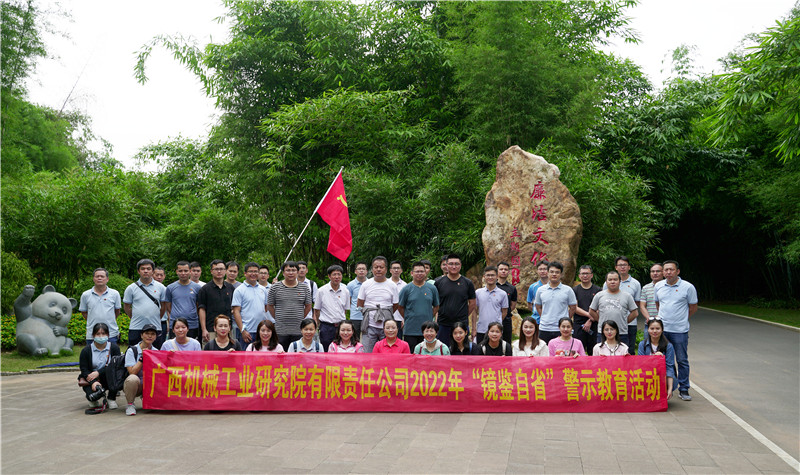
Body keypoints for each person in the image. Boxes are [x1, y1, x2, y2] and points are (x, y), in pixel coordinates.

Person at [654, 260, 698, 401]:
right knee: (663, 359)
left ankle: (684, 389)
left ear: (677, 271)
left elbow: (693, 307)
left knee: (682, 360)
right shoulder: (658, 286)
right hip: (662, 331)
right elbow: (658, 304)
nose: (668, 272)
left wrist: (682, 318)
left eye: (671, 269)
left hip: (680, 331)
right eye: (666, 270)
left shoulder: (688, 287)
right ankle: (666, 387)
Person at [357, 256, 399, 352]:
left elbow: (395, 305)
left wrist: (385, 313)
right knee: (367, 353)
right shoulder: (366, 284)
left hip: (387, 327)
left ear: (386, 269)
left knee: (387, 353)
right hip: (369, 325)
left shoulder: (392, 285)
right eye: (376, 267)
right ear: (372, 269)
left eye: (381, 267)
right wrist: (368, 314)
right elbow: (360, 304)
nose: (378, 269)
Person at [268, 261, 313, 351]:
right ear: (283, 272)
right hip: (280, 330)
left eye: (293, 270)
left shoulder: (304, 288)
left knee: (298, 355)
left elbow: (308, 306)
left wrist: (300, 317)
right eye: (288, 270)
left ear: (297, 272)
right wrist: (277, 317)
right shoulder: (275, 287)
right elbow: (270, 306)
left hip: (298, 329)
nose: (291, 273)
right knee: (281, 354)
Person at [589, 271, 639, 352]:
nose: (612, 282)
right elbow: (591, 311)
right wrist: (601, 320)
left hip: (621, 333)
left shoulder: (627, 296)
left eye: (615, 279)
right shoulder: (599, 295)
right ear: (606, 282)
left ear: (620, 281)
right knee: (602, 356)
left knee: (622, 356)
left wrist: (624, 321)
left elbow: (635, 312)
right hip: (603, 333)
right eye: (610, 279)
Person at [434, 254, 476, 347]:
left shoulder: (467, 283)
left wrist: (463, 315)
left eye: (456, 264)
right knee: (442, 349)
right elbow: (435, 303)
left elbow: (472, 303)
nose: (454, 266)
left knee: (461, 350)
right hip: (443, 323)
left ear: (460, 265)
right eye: (451, 264)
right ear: (446, 265)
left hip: (461, 324)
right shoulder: (438, 282)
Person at [123, 259, 166, 347]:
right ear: (138, 271)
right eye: (143, 269)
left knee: (155, 353)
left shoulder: (161, 287)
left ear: (153, 271)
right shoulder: (131, 288)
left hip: (155, 327)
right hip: (136, 327)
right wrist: (135, 317)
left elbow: (163, 307)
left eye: (148, 269)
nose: (145, 271)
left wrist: (157, 317)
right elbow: (127, 307)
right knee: (134, 352)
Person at [398, 261, 440, 351]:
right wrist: (408, 317)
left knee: (427, 353)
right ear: (412, 273)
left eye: (422, 271)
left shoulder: (432, 288)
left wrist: (429, 315)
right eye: (417, 271)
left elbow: (436, 306)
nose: (419, 273)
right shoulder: (406, 289)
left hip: (428, 330)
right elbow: (400, 307)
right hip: (410, 330)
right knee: (411, 354)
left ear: (425, 273)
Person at [78, 323, 121, 411]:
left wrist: (98, 372)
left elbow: (116, 365)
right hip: (91, 377)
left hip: (109, 376)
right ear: (93, 335)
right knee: (92, 398)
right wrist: (93, 382)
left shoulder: (114, 348)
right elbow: (84, 369)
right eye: (98, 334)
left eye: (103, 333)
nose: (101, 336)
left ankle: (111, 398)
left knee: (115, 375)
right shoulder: (86, 350)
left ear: (108, 335)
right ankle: (93, 399)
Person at [604, 256, 642, 354]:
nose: (622, 267)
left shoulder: (636, 283)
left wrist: (625, 321)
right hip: (611, 324)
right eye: (620, 265)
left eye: (625, 265)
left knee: (629, 350)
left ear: (629, 267)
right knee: (609, 350)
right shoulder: (608, 283)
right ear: (616, 267)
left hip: (630, 323)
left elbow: (637, 303)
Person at [534, 261, 577, 344]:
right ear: (547, 273)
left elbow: (573, 308)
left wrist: (565, 319)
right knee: (543, 350)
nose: (554, 274)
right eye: (552, 272)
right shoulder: (540, 290)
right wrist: (544, 317)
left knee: (562, 351)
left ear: (561, 274)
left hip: (561, 329)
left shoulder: (568, 290)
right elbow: (538, 306)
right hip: (544, 328)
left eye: (557, 272)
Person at [232, 262, 270, 349]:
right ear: (245, 273)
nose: (253, 274)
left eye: (256, 271)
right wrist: (242, 330)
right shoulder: (239, 290)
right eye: (250, 271)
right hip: (247, 332)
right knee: (246, 356)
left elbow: (265, 308)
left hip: (262, 331)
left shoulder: (263, 289)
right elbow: (236, 311)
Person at [79, 268, 122, 344]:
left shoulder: (115, 294)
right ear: (93, 279)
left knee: (112, 352)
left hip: (111, 333)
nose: (99, 278)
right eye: (97, 276)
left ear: (107, 279)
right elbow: (84, 312)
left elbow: (117, 311)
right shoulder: (86, 295)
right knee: (91, 352)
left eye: (102, 276)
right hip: (92, 334)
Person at [123, 323, 158, 416]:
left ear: (155, 337)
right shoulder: (132, 350)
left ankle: (149, 399)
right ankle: (130, 404)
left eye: (153, 334)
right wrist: (143, 357)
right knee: (132, 379)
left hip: (150, 384)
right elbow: (132, 372)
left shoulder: (157, 352)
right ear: (141, 335)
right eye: (147, 333)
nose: (150, 336)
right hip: (136, 385)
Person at [163, 261, 203, 341]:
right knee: (174, 347)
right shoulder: (170, 288)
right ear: (176, 272)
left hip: (192, 324)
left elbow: (198, 306)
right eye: (180, 271)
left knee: (192, 346)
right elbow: (168, 306)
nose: (183, 273)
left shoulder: (197, 287)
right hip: (175, 325)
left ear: (190, 271)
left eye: (185, 271)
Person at [314, 264, 350, 351]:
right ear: (329, 276)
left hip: (341, 327)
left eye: (339, 274)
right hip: (326, 326)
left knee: (341, 349)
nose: (337, 277)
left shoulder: (346, 291)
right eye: (334, 274)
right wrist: (319, 324)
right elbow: (317, 309)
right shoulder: (321, 291)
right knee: (326, 350)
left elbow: (345, 310)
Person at [638, 317, 676, 399]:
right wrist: (654, 358)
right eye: (652, 328)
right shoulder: (642, 344)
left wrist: (670, 389)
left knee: (673, 380)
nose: (654, 331)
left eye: (657, 328)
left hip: (662, 375)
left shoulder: (668, 346)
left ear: (662, 330)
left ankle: (665, 392)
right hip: (647, 375)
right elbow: (640, 364)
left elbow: (670, 367)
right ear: (648, 330)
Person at [197, 259, 235, 343]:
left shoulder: (230, 288)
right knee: (210, 350)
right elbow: (201, 310)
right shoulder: (205, 289)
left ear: (225, 271)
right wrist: (204, 329)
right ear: (211, 271)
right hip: (210, 329)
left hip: (227, 329)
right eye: (216, 269)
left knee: (228, 350)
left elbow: (234, 308)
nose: (219, 271)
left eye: (221, 269)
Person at [473, 266, 509, 344]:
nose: (490, 277)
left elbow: (504, 312)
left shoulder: (503, 294)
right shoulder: (478, 292)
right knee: (480, 350)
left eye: (492, 275)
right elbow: (475, 311)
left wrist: (497, 322)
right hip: (481, 329)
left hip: (496, 331)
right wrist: (474, 329)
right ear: (484, 277)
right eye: (488, 275)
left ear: (497, 276)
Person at [572, 265, 601, 355]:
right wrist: (589, 315)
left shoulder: (598, 290)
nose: (585, 276)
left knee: (594, 351)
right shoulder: (575, 290)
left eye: (587, 273)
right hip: (578, 324)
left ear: (591, 275)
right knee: (578, 352)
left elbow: (600, 308)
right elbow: (574, 307)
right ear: (579, 276)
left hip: (594, 324)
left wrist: (590, 320)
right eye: (583, 274)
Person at [495, 261, 518, 344]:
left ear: (508, 272)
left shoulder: (512, 288)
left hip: (506, 320)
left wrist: (505, 312)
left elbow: (513, 305)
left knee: (506, 343)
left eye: (505, 269)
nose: (503, 271)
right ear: (497, 271)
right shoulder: (492, 286)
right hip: (492, 318)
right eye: (501, 269)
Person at [346, 261, 369, 336]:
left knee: (368, 338)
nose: (361, 271)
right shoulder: (350, 285)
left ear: (366, 271)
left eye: (363, 269)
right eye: (359, 269)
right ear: (355, 271)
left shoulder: (371, 283)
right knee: (355, 338)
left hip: (368, 316)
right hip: (355, 316)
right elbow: (348, 301)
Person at [389, 261, 407, 337]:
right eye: (394, 268)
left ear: (401, 270)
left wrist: (404, 318)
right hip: (387, 318)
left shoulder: (405, 285)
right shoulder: (386, 283)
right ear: (390, 270)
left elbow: (406, 303)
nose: (396, 270)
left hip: (400, 318)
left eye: (398, 268)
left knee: (398, 340)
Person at [153, 266, 169, 338]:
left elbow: (168, 308)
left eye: (161, 275)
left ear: (164, 276)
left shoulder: (167, 289)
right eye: (157, 275)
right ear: (152, 275)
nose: (159, 277)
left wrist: (168, 322)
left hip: (162, 321)